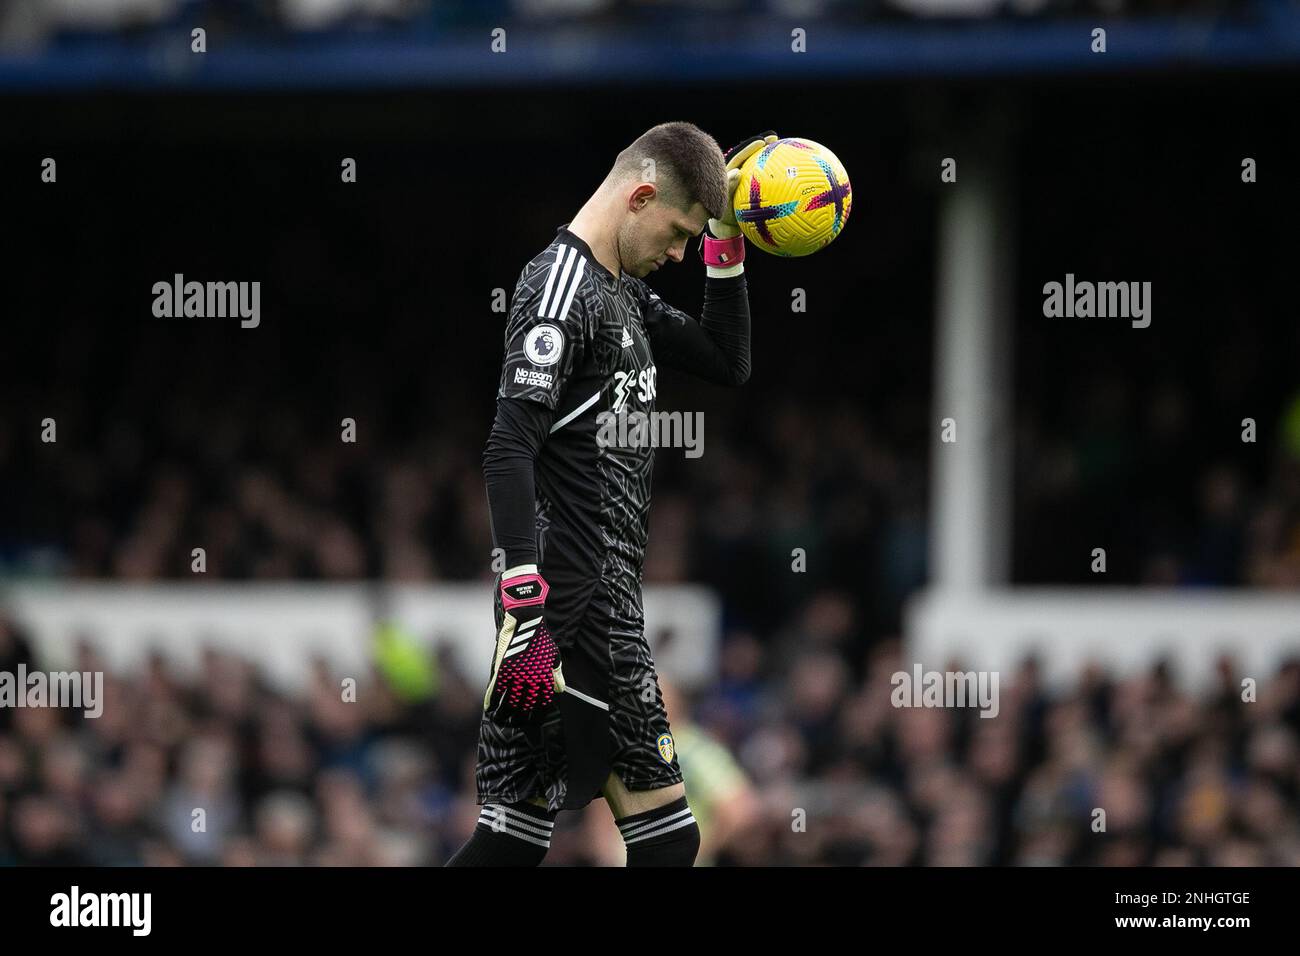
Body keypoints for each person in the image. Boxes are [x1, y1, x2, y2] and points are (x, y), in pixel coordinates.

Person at [447, 122, 774, 867]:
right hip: (572, 600)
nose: (681, 254)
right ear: (641, 195)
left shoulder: (623, 291)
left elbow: (728, 361)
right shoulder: (561, 287)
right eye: (683, 232)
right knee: (668, 838)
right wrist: (526, 610)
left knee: (509, 844)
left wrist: (727, 238)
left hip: (592, 596)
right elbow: (508, 446)